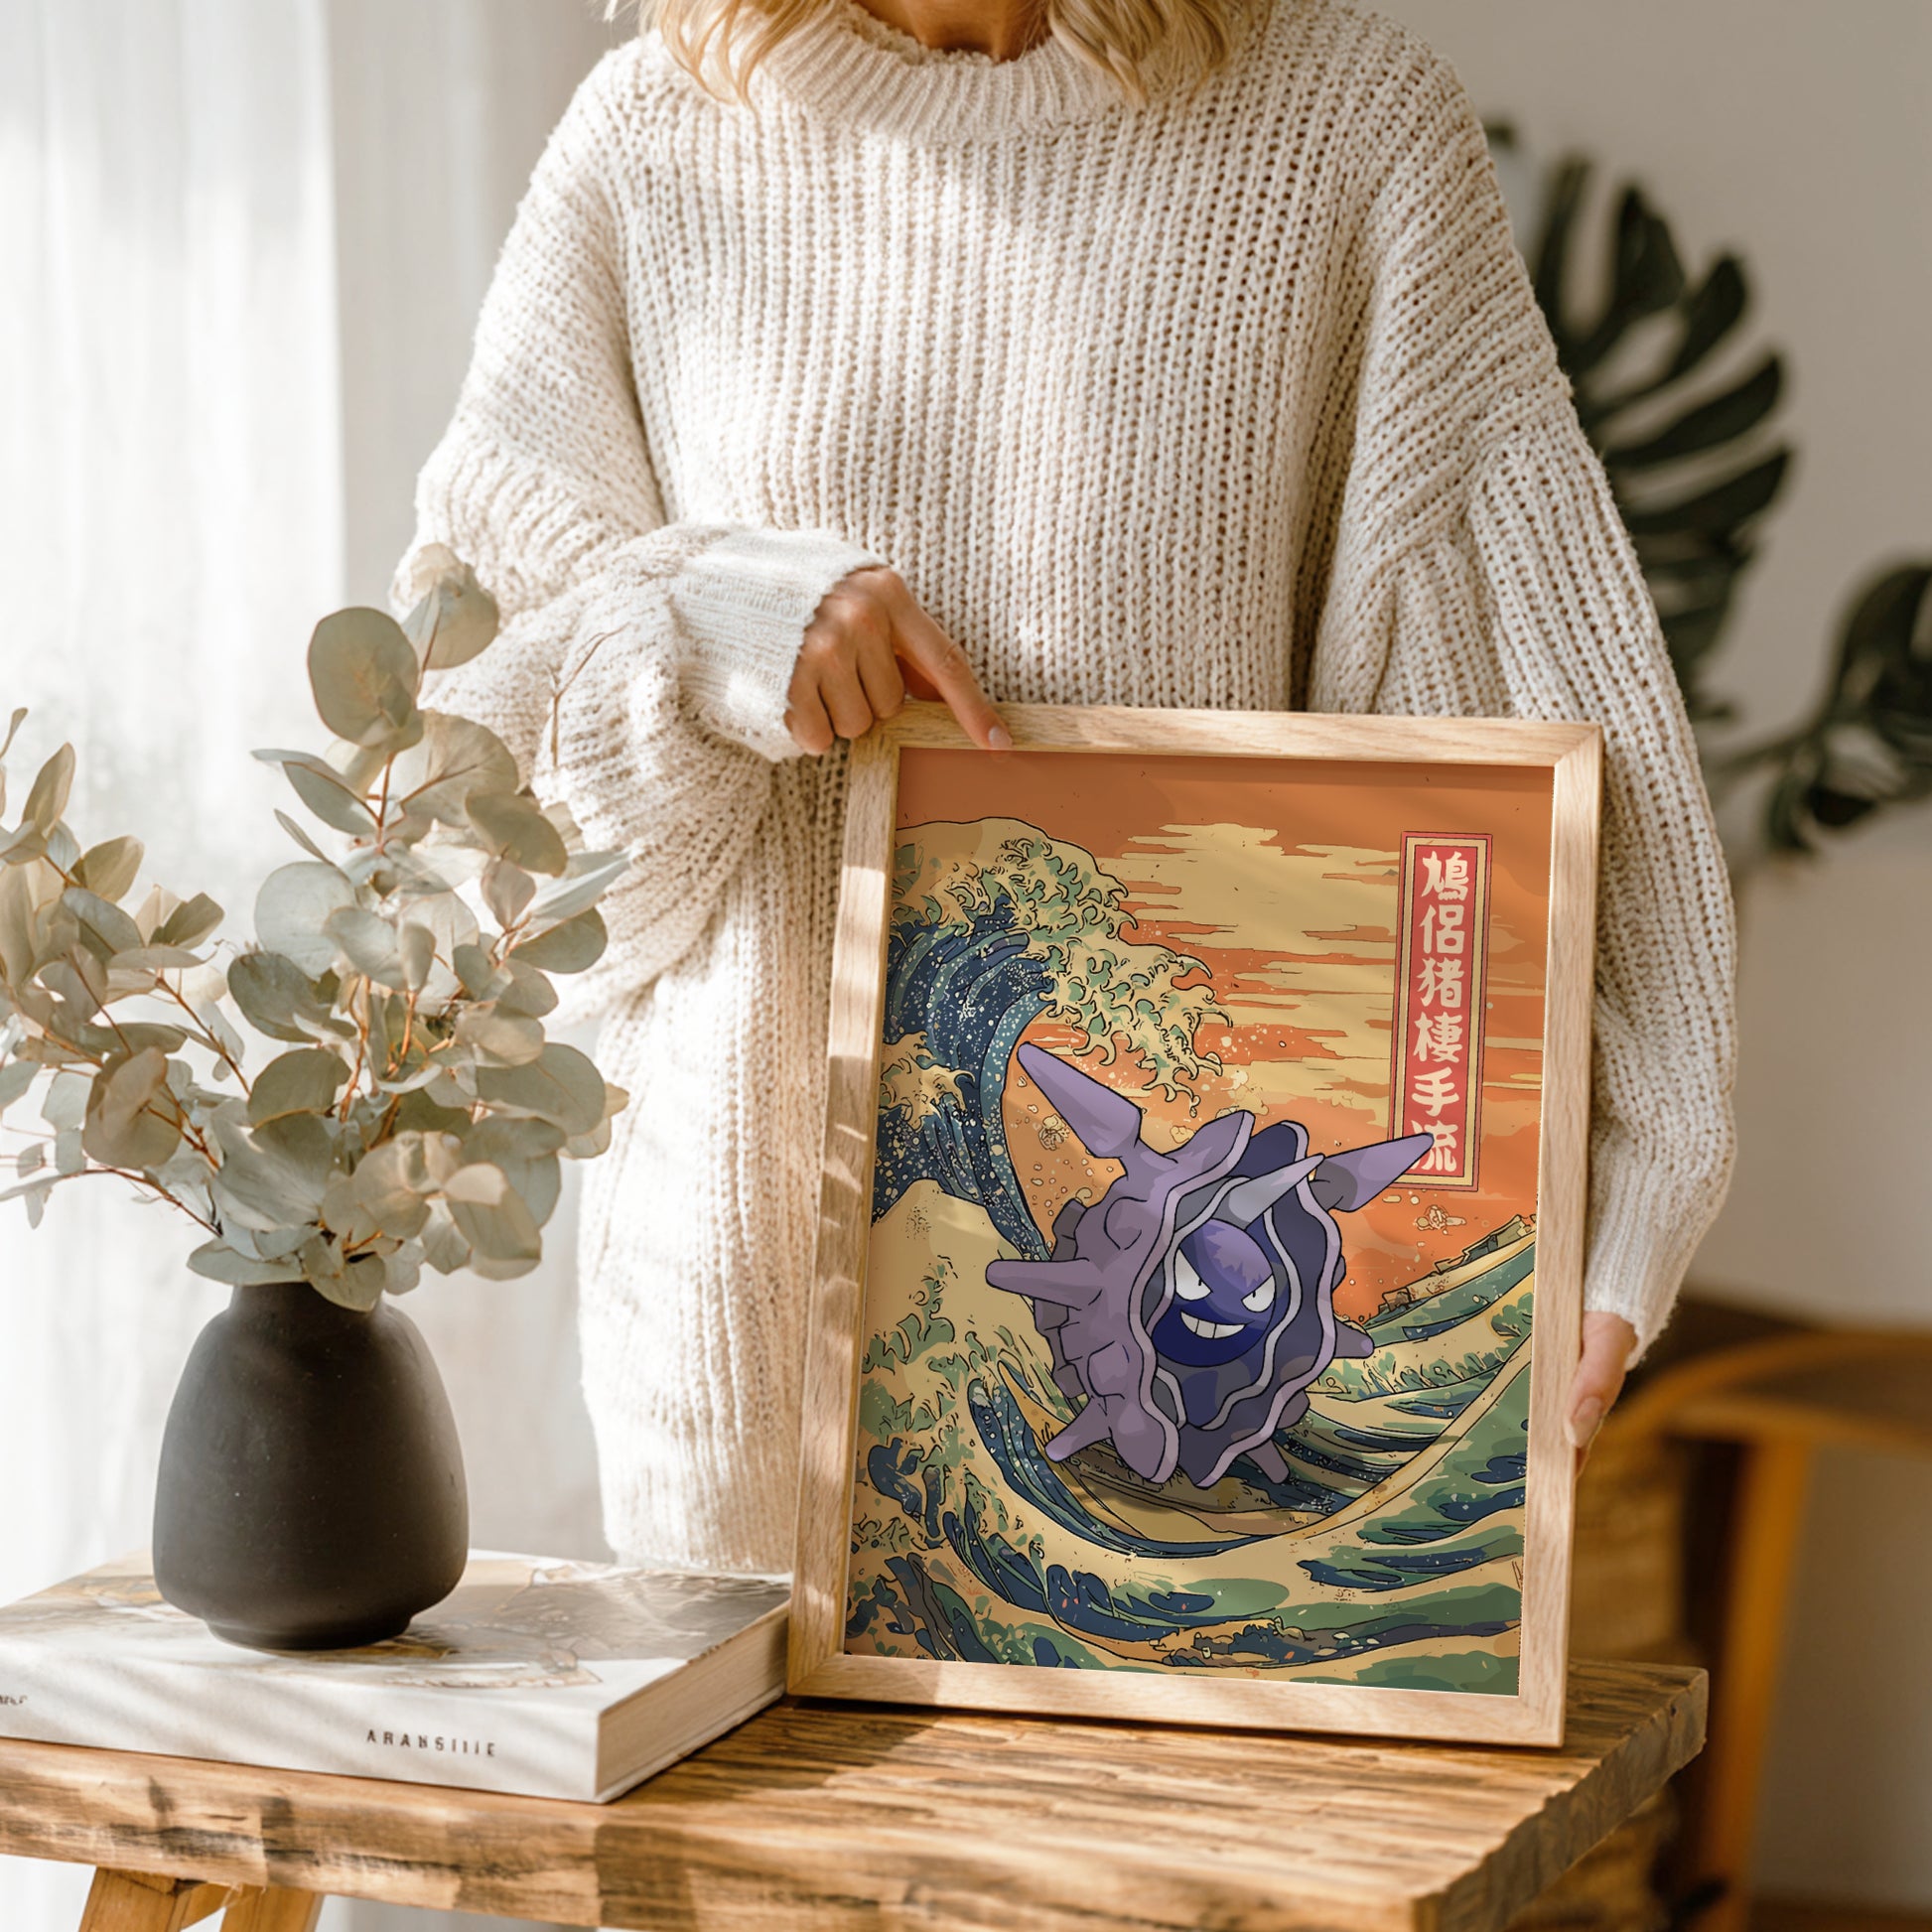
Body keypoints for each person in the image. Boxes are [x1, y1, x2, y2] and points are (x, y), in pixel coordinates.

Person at [394, 0, 1735, 1576]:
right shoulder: (649, 140)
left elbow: (1522, 690)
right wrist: (705, 621)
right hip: (734, 1345)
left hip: (1220, 1383)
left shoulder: (1343, 128)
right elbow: (464, 820)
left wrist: (1628, 1170)